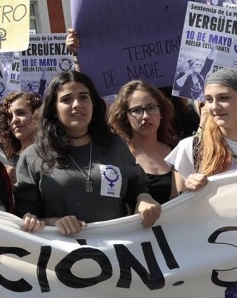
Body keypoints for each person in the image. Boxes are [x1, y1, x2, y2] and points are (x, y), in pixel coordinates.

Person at [16, 72, 160, 235]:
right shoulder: (32, 156)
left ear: (93, 104)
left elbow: (137, 187)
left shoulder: (115, 146)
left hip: (116, 252)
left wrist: (143, 198)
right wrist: (54, 222)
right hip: (63, 256)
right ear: (54, 109)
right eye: (67, 99)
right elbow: (26, 219)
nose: (77, 104)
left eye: (84, 97)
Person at [108, 81, 177, 204]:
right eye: (137, 110)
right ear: (125, 117)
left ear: (161, 113)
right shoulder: (118, 158)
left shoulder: (177, 150)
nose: (145, 116)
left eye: (151, 108)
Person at [0, 92, 41, 172]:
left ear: (37, 115)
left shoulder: (53, 155)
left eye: (21, 113)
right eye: (10, 117)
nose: (14, 120)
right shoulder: (7, 161)